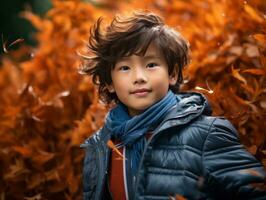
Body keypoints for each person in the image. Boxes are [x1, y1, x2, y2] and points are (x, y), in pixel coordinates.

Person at [80, 11, 266, 200]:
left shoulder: (207, 134)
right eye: (125, 68)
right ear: (110, 83)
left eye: (151, 64)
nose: (139, 78)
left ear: (172, 74)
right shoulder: (100, 147)